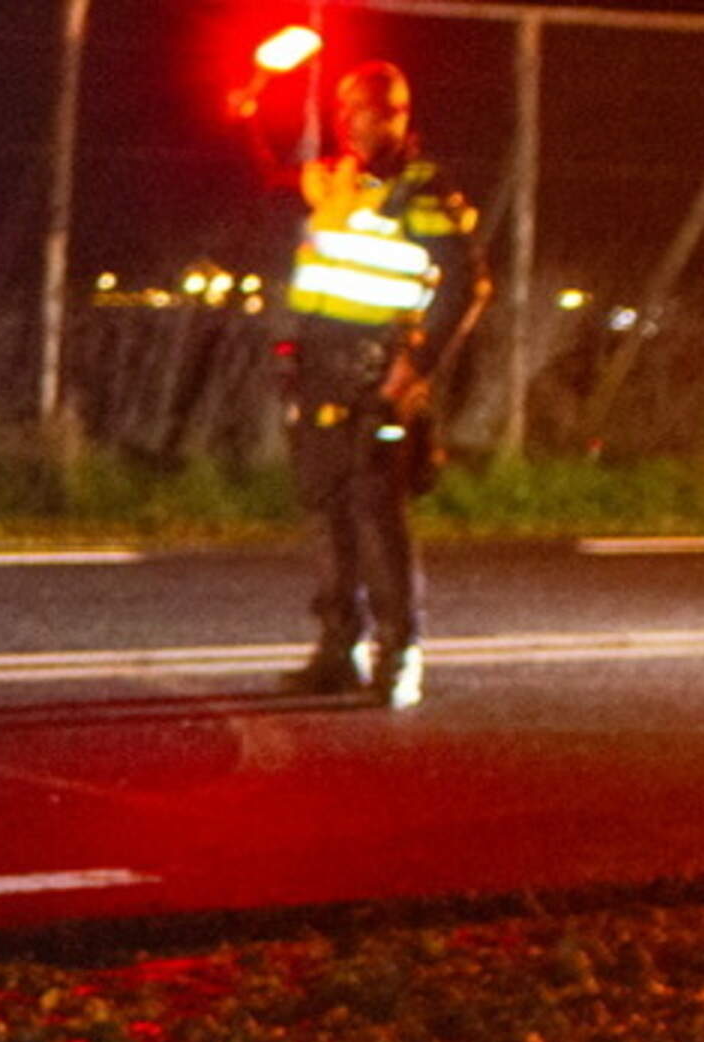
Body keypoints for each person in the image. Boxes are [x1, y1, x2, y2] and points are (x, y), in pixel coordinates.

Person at [237, 60, 491, 709]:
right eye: (348, 110)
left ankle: (399, 654)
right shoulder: (340, 180)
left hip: (382, 370)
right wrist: (249, 117)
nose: (354, 122)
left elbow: (467, 286)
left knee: (377, 515)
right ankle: (337, 649)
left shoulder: (423, 191)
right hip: (319, 366)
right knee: (325, 507)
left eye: (368, 111)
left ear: (397, 116)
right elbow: (273, 184)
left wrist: (414, 368)